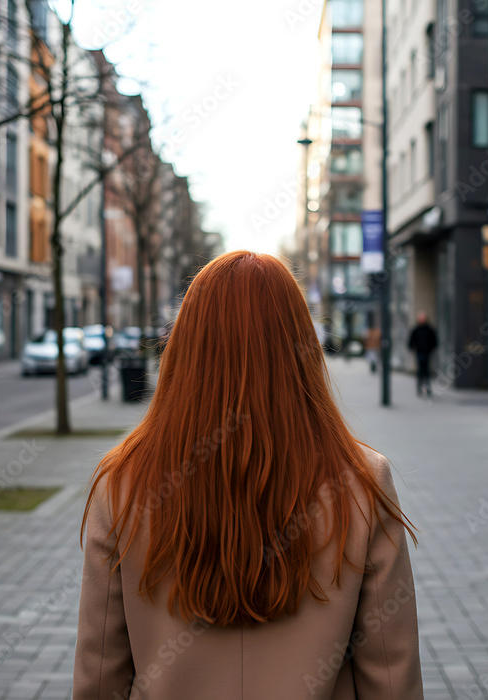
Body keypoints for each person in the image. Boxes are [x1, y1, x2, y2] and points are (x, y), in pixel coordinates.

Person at [74, 251, 423, 700]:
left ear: (184, 348)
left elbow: (100, 675)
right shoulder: (362, 482)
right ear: (302, 348)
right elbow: (390, 676)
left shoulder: (123, 484)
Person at [407, 312, 438, 398]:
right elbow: (411, 341)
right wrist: (413, 348)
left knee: (426, 371)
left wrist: (430, 349)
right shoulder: (416, 329)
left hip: (427, 353)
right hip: (419, 352)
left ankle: (428, 389)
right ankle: (419, 389)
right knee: (420, 371)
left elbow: (434, 342)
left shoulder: (429, 329)